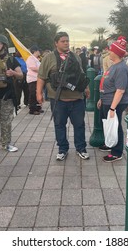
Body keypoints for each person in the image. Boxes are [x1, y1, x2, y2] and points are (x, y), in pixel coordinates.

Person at [37, 32, 90, 161]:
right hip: (58, 100)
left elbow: (81, 75)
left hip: (77, 98)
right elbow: (41, 77)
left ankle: (81, 148)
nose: (66, 43)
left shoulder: (75, 57)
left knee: (79, 125)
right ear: (56, 43)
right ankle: (62, 149)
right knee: (59, 125)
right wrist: (38, 93)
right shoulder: (48, 58)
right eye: (63, 41)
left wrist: (87, 88)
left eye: (67, 41)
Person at [98, 36, 128, 163]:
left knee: (115, 126)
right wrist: (102, 98)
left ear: (116, 53)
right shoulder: (114, 65)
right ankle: (110, 143)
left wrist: (112, 107)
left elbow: (120, 90)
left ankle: (117, 152)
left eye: (110, 50)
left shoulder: (121, 68)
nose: (108, 52)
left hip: (115, 102)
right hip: (107, 100)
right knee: (108, 124)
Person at [26, 45, 42, 115]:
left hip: (38, 79)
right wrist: (41, 70)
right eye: (38, 51)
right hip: (32, 79)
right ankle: (32, 109)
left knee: (38, 93)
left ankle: (38, 107)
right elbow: (33, 68)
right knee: (33, 94)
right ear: (35, 51)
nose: (39, 52)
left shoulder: (37, 59)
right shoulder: (30, 58)